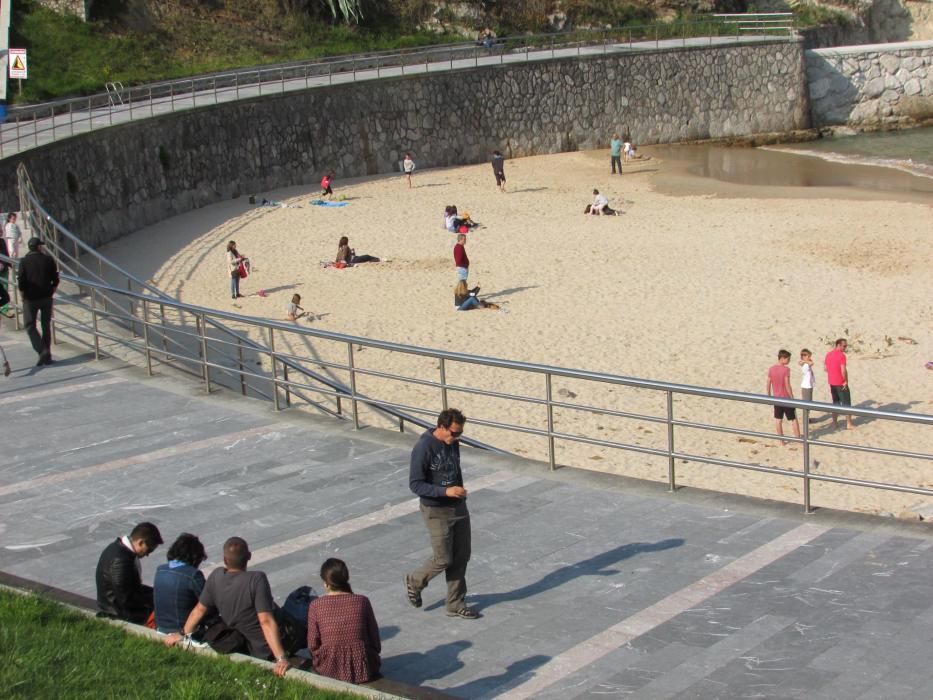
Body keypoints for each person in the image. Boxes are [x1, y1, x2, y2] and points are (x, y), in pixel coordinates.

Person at [163, 537, 291, 677]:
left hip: (238, 639)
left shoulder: (216, 576)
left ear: (225, 560)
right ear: (249, 556)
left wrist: (182, 634)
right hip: (263, 648)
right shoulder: (257, 579)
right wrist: (281, 658)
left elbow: (199, 609)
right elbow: (265, 620)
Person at [404, 408, 478, 620]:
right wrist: (445, 491)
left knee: (461, 555)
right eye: (454, 433)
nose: (456, 438)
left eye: (460, 434)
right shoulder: (423, 447)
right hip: (435, 510)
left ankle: (455, 602)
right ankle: (415, 581)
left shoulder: (453, 443)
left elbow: (456, 469)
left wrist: (459, 492)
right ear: (441, 427)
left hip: (457, 505)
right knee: (443, 558)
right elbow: (415, 484)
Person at [306, 558, 381, 684]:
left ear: (326, 583)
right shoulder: (362, 601)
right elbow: (375, 639)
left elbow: (313, 644)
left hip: (328, 667)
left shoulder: (316, 605)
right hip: (363, 668)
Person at [96, 521, 164, 624]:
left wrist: (156, 594)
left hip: (116, 609)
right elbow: (126, 599)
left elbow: (129, 589)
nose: (147, 555)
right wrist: (154, 600)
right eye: (149, 550)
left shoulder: (117, 549)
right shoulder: (121, 560)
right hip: (118, 615)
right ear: (141, 542)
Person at [153, 533, 208, 635]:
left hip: (160, 627)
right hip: (183, 631)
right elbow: (207, 602)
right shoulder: (193, 575)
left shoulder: (160, 570)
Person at [17, 237, 60, 366]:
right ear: (39, 247)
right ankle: (47, 355)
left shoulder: (24, 262)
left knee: (30, 326)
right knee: (46, 326)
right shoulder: (48, 260)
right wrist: (52, 290)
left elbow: (21, 282)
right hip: (46, 297)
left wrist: (23, 294)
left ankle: (42, 350)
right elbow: (55, 279)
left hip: (30, 299)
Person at [766, 349, 801, 445]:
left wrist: (768, 395)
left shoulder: (771, 369)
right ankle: (798, 438)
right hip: (786, 398)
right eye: (788, 359)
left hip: (776, 398)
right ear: (782, 358)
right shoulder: (786, 370)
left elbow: (768, 383)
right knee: (793, 419)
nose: (789, 361)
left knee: (778, 420)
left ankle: (781, 441)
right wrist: (792, 397)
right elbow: (787, 385)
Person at [824, 338, 855, 430]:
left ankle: (834, 423)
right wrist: (845, 381)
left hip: (832, 382)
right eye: (844, 346)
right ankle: (849, 423)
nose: (845, 347)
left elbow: (825, 368)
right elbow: (843, 370)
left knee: (835, 402)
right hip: (840, 382)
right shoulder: (842, 356)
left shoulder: (828, 354)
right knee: (846, 403)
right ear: (839, 345)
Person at [0, 237, 13, 318]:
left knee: (5, 288)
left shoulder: (2, 241)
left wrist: (9, 263)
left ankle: (5, 309)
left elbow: (6, 252)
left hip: (4, 269)